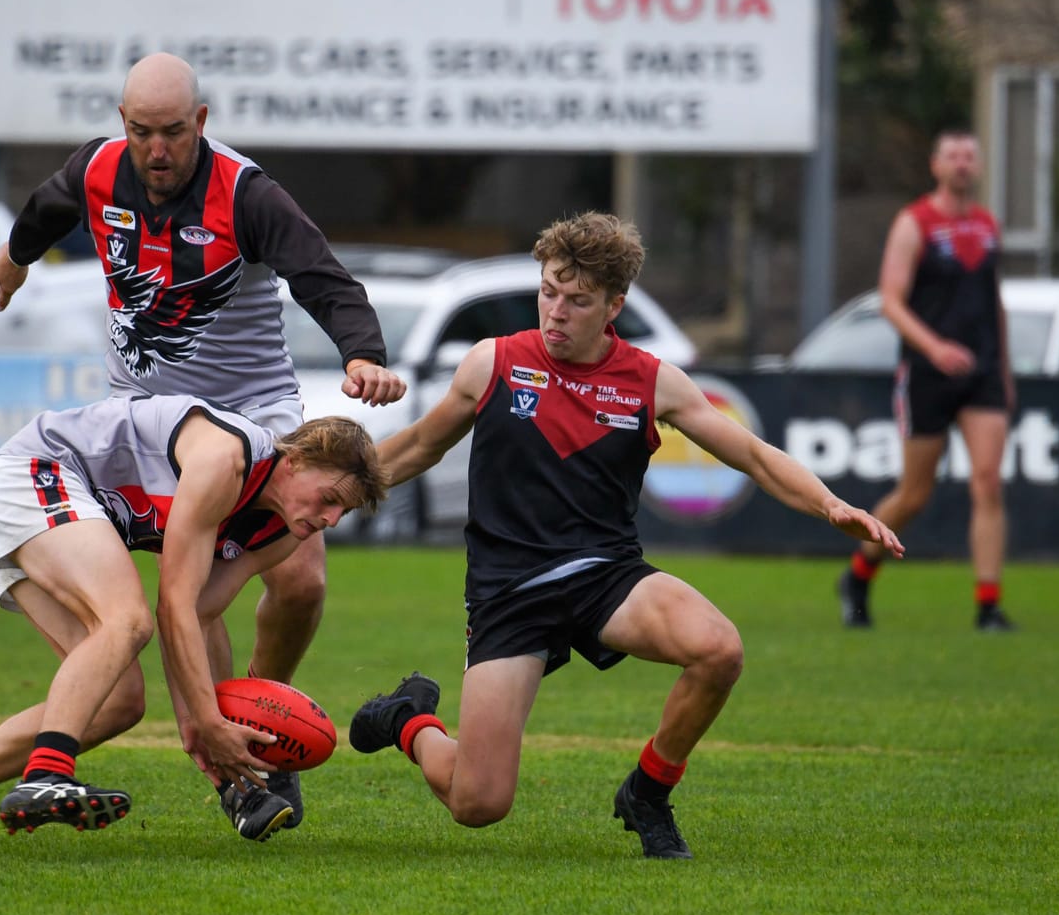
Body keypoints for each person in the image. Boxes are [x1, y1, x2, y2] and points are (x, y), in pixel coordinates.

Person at [348, 212, 903, 859]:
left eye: (577, 300)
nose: (556, 310)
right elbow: (416, 444)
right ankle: (410, 717)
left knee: (719, 648)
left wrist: (829, 503)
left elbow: (751, 453)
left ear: (614, 305)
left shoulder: (650, 380)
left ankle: (649, 790)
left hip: (605, 574)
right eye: (549, 290)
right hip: (508, 589)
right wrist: (331, 494)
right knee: (478, 803)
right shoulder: (493, 363)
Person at [0, 52, 404, 836]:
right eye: (142, 131)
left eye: (173, 131)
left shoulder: (246, 192)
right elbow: (44, 208)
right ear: (123, 126)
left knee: (302, 579)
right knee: (195, 563)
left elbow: (321, 274)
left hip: (253, 404)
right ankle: (236, 768)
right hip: (147, 405)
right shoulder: (99, 169)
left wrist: (361, 350)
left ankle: (253, 723)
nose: (158, 148)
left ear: (201, 123)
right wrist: (14, 258)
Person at [0, 399, 387, 856]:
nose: (333, 518)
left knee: (118, 700)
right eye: (330, 497)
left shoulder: (279, 533)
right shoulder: (226, 458)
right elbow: (174, 604)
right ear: (295, 460)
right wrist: (206, 720)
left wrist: (203, 724)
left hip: (58, 504)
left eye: (344, 509)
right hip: (38, 471)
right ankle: (48, 775)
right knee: (126, 619)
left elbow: (199, 616)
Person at [838, 129, 1015, 630]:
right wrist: (934, 347)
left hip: (981, 373)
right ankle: (859, 572)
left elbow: (993, 300)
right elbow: (890, 301)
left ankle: (988, 605)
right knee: (914, 494)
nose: (962, 164)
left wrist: (1003, 368)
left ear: (978, 166)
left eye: (969, 156)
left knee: (987, 484)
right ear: (936, 165)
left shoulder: (986, 226)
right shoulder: (914, 223)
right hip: (926, 374)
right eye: (952, 156)